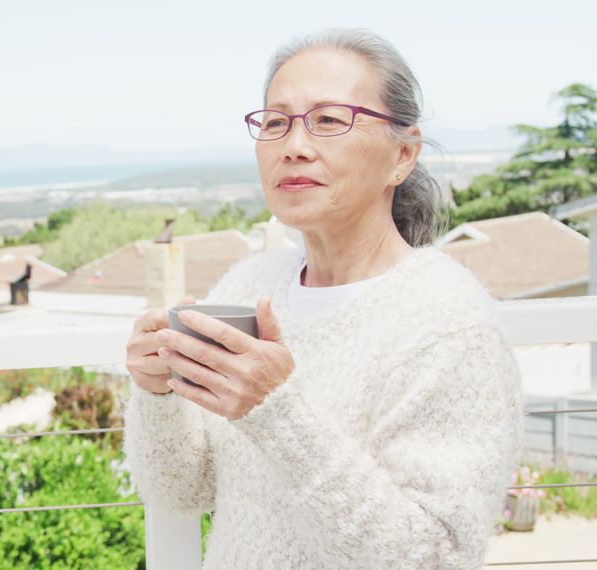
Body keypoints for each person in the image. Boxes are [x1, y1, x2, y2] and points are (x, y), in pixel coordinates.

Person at [122, 28, 523, 569]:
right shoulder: (248, 285)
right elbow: (181, 493)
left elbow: (433, 557)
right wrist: (158, 394)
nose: (294, 145)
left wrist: (275, 409)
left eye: (329, 120)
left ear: (402, 156)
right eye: (275, 123)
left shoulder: (449, 324)